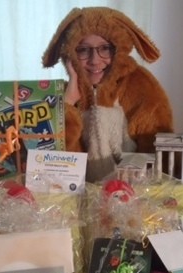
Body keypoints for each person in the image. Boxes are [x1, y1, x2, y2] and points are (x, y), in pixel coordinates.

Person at [42, 7, 174, 182]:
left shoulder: (141, 85)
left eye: (105, 48)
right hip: (80, 193)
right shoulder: (63, 93)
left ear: (120, 49)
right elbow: (53, 162)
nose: (94, 60)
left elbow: (158, 148)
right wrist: (68, 104)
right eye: (83, 50)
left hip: (133, 191)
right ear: (70, 54)